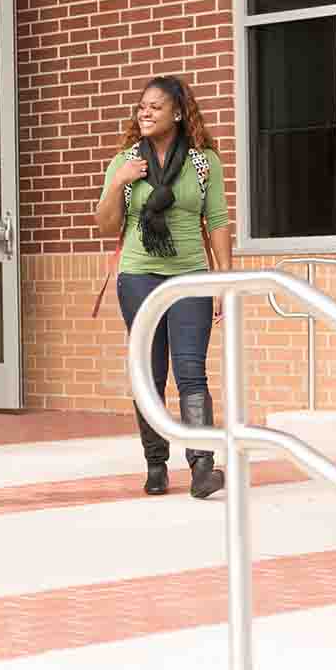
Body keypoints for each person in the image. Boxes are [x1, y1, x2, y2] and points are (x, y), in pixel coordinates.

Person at [95, 75, 232, 499]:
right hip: (138, 277)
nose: (145, 112)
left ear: (177, 112)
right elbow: (106, 224)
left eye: (155, 106)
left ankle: (202, 467)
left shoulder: (204, 161)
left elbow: (219, 221)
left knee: (190, 370)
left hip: (190, 273)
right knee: (149, 375)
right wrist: (120, 182)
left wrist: (223, 278)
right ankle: (156, 465)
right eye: (141, 106)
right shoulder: (125, 161)